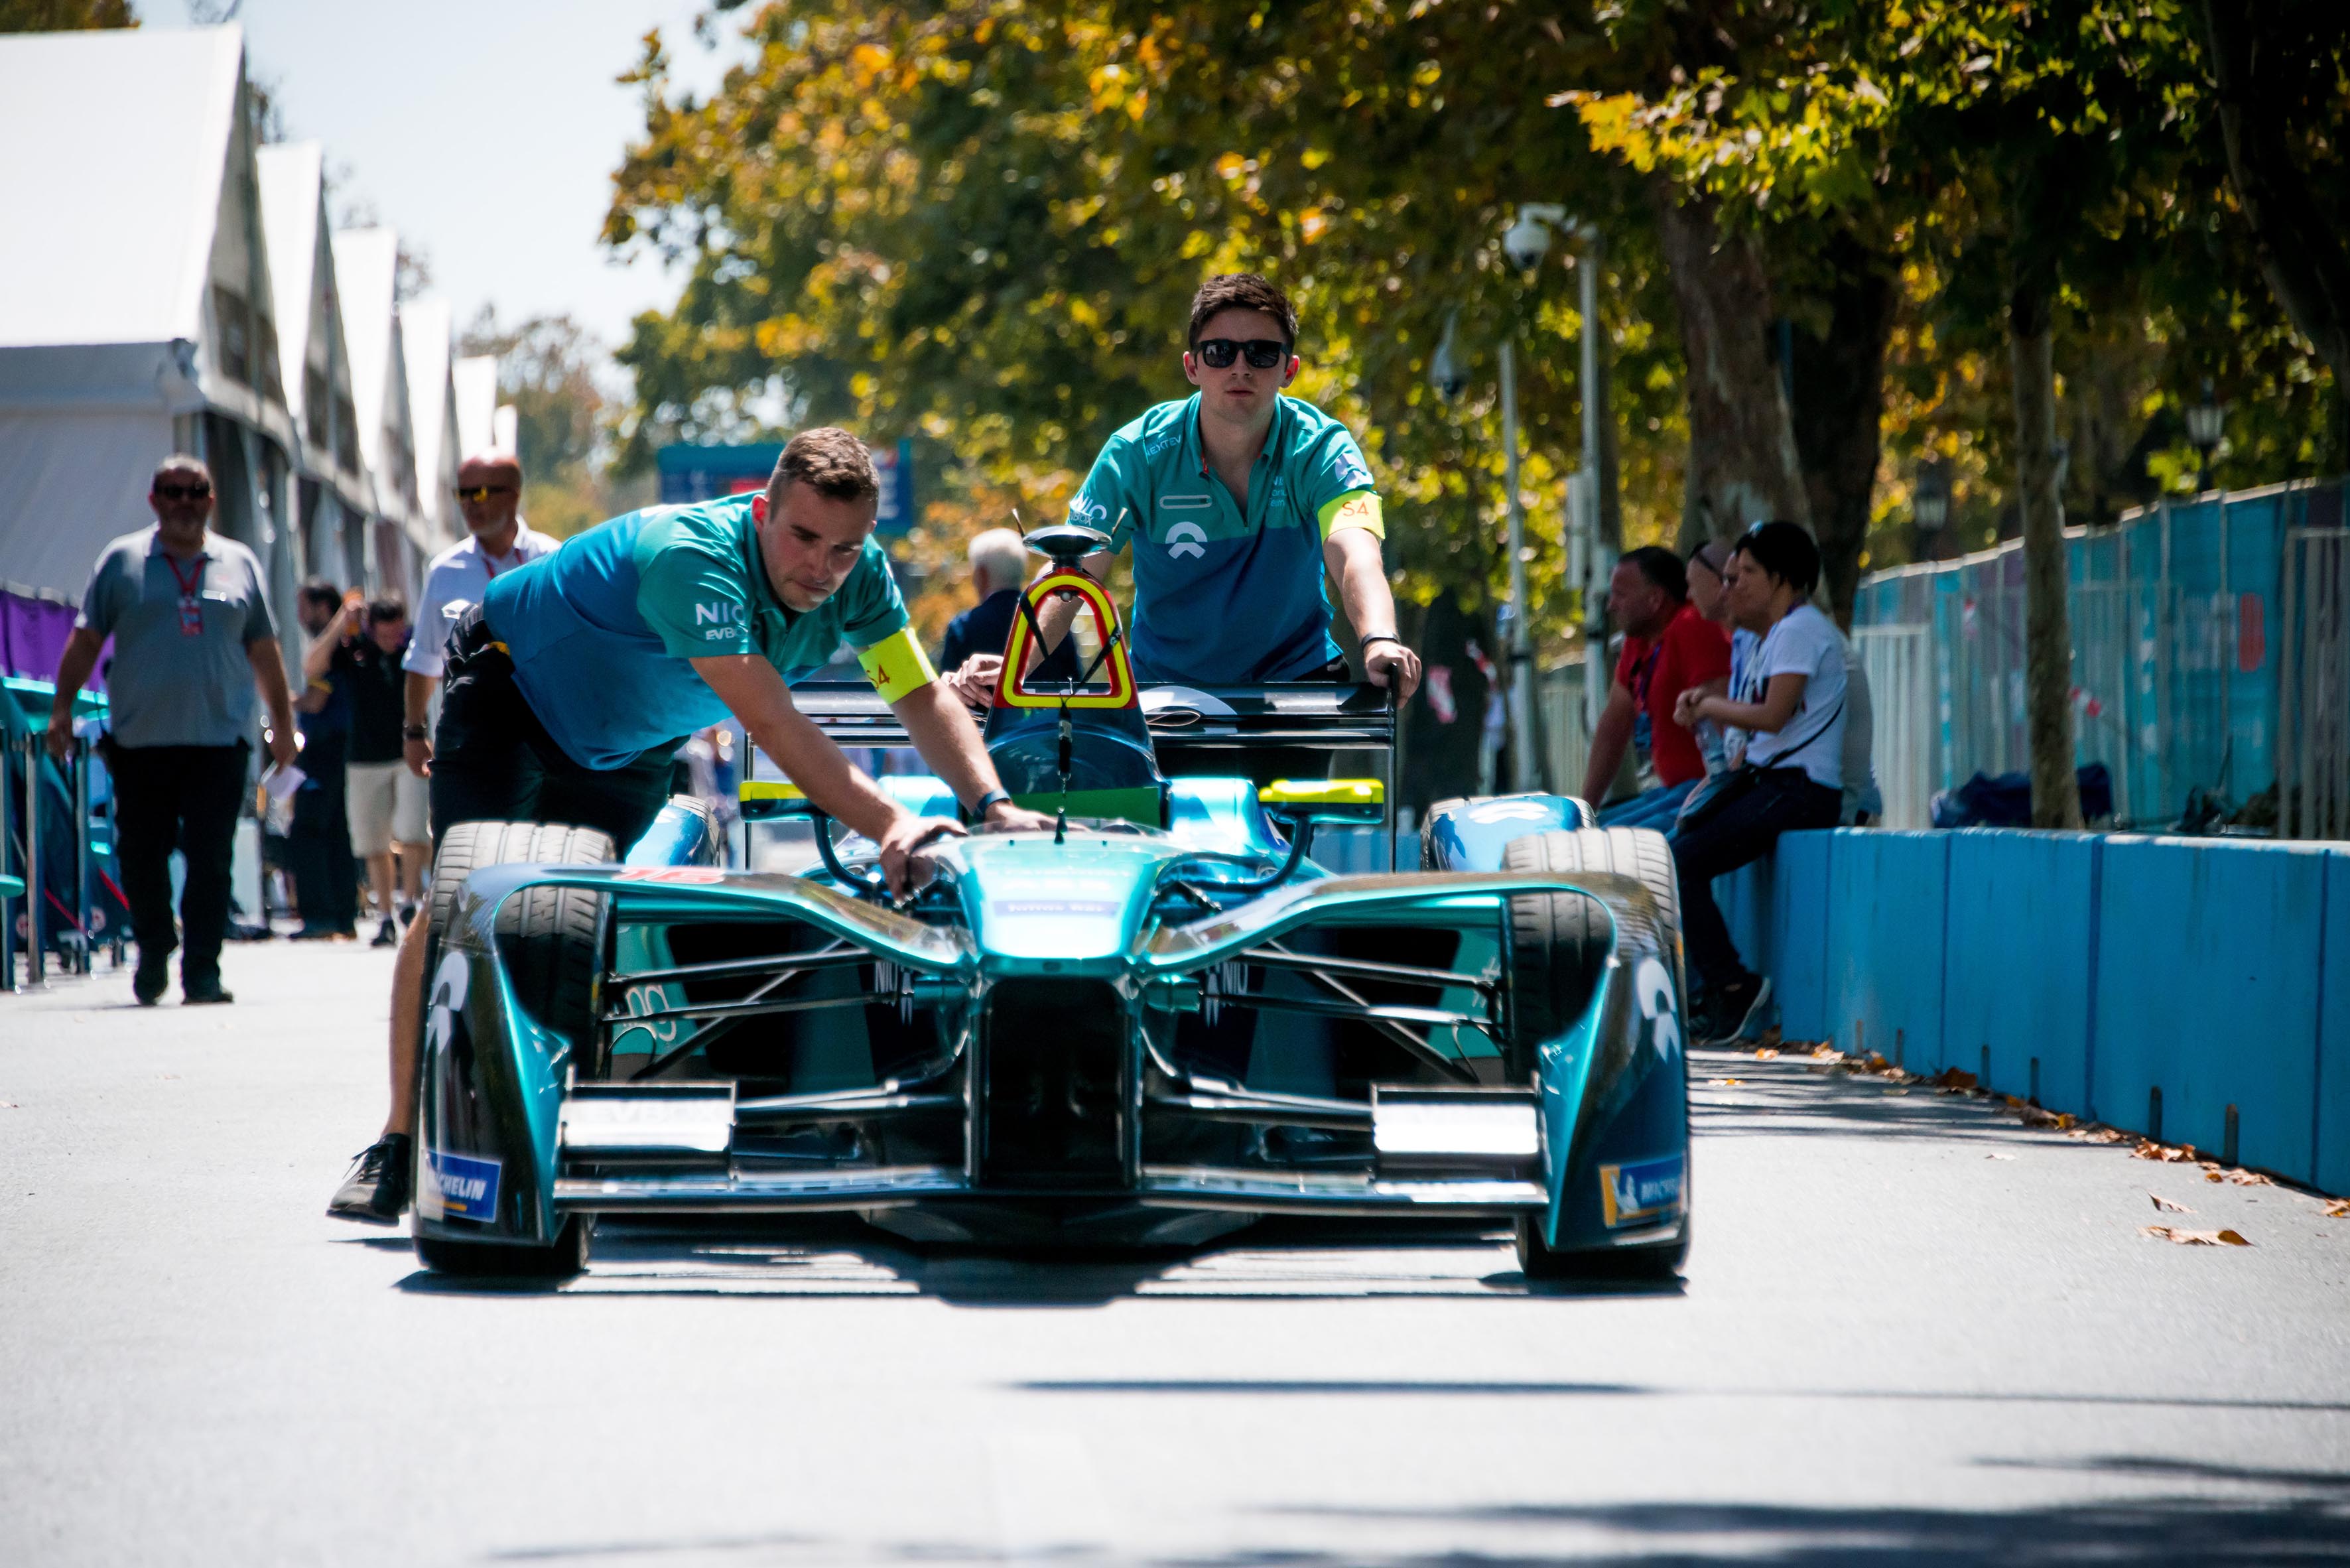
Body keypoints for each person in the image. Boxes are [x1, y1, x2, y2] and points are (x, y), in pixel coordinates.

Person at [328, 427, 1055, 1222]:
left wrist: (992, 806)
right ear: (761, 509)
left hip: (630, 741)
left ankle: (555, 1121)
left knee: (585, 915)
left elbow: (915, 696)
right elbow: (774, 726)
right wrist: (895, 824)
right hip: (512, 691)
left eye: (844, 549)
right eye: (804, 537)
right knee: (467, 899)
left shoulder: (863, 581)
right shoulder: (692, 555)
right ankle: (397, 1142)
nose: (821, 568)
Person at [948, 275, 1421, 767]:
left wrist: (1379, 638)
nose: (1240, 367)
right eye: (1220, 352)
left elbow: (1355, 553)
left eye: (1261, 353)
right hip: (1169, 695)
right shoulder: (1135, 452)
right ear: (1192, 366)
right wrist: (1016, 670)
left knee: (1279, 842)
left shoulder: (1322, 447)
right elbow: (1072, 576)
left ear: (1289, 369)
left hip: (1294, 686)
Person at [45, 454, 298, 1006]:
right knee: (142, 853)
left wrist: (282, 724)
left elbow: (264, 649)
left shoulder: (239, 562)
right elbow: (86, 639)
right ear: (154, 498)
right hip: (141, 740)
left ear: (211, 499)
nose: (184, 501)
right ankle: (155, 947)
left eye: (196, 491)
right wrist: (62, 708)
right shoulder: (122, 561)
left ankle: (203, 970)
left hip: (220, 739)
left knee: (212, 857)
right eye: (172, 490)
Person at [1668, 521, 1848, 1045]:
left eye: (1747, 572)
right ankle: (1716, 987)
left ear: (1783, 579)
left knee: (1681, 861)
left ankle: (1732, 986)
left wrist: (1706, 703)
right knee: (1677, 853)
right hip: (1770, 783)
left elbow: (1772, 716)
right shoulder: (1774, 636)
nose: (1734, 585)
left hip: (1801, 791)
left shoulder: (1800, 629)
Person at [400, 450, 555, 783]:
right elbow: (424, 659)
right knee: (462, 834)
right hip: (467, 738)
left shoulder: (553, 562)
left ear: (513, 495)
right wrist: (414, 733)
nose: (469, 504)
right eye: (462, 493)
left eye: (480, 493)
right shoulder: (444, 570)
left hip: (545, 737)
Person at [1579, 546, 1732, 828]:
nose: (1611, 605)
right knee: (1582, 834)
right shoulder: (1637, 642)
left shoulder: (1692, 625)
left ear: (1655, 600)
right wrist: (1584, 810)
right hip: (1668, 791)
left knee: (1607, 846)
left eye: (1620, 595)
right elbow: (1614, 726)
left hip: (1702, 788)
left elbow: (1723, 729)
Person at [313, 595, 428, 946]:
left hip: (407, 753)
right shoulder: (355, 650)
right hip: (363, 758)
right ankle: (385, 916)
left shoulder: (414, 648)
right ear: (371, 628)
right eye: (386, 634)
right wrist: (341, 620)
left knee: (413, 832)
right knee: (371, 841)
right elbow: (312, 667)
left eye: (398, 632)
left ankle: (409, 902)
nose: (393, 640)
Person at [288, 580, 359, 940]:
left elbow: (312, 675)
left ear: (321, 608)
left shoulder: (339, 650)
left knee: (310, 830)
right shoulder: (336, 652)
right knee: (333, 832)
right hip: (329, 751)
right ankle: (340, 916)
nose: (299, 616)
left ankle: (322, 915)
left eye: (304, 607)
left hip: (328, 750)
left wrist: (284, 700)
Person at [936, 526, 1077, 681]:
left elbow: (948, 690)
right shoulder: (1054, 622)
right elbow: (1076, 683)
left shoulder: (963, 627)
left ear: (981, 574)